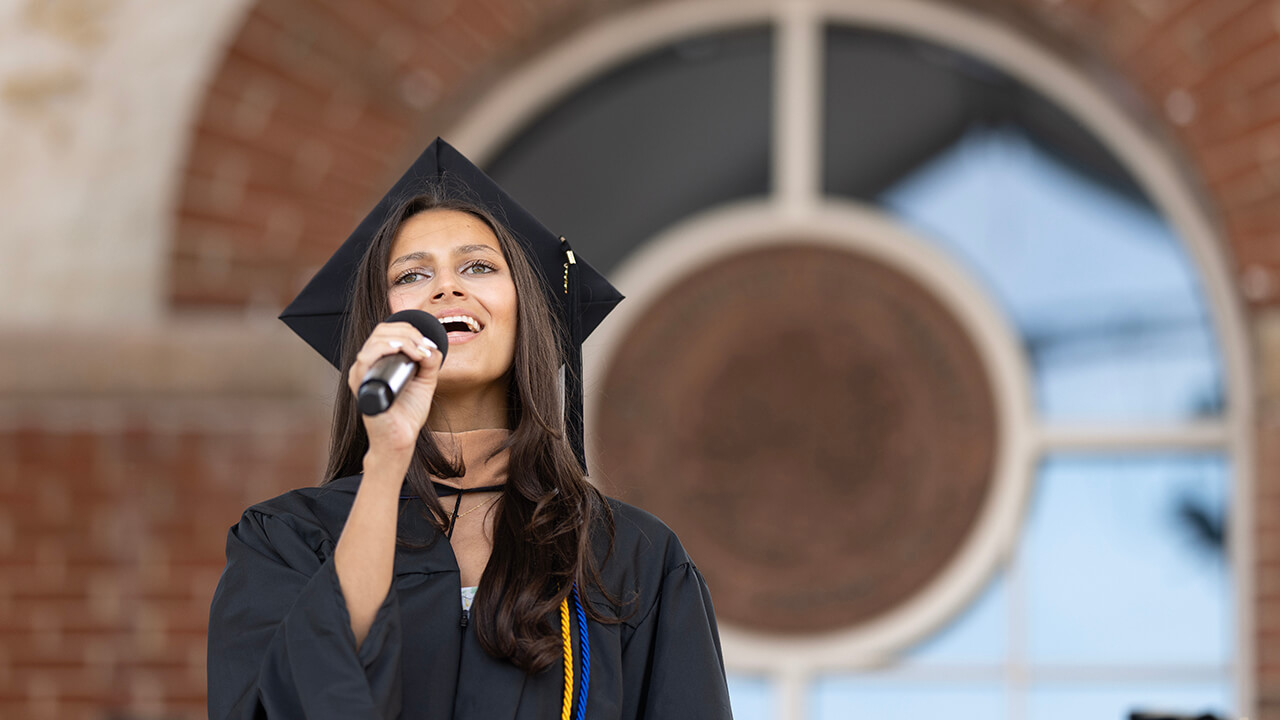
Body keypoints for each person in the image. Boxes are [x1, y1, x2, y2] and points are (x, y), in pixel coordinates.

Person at [206, 138, 734, 719]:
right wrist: (386, 459)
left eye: (478, 266)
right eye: (411, 275)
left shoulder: (626, 556)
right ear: (376, 324)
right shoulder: (288, 541)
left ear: (526, 310)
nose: (446, 288)